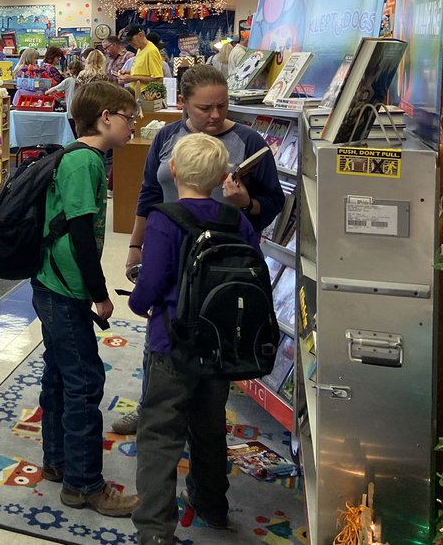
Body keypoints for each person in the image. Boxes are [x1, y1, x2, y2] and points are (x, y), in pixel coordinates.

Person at [115, 63, 284, 436]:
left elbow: (272, 201)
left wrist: (244, 203)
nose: (216, 115)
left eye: (222, 106)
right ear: (184, 104)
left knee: (213, 342)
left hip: (220, 267)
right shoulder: (167, 137)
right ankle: (151, 410)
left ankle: (204, 425)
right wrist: (135, 245)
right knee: (161, 341)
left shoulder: (249, 143)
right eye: (205, 108)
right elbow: (149, 193)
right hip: (168, 255)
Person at [130, 133, 261, 542]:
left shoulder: (164, 219)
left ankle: (154, 528)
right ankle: (212, 504)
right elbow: (254, 267)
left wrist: (138, 304)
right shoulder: (235, 219)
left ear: (172, 170)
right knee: (209, 425)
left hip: (171, 341)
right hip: (221, 343)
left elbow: (151, 282)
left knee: (159, 431)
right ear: (224, 176)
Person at [32, 79, 139, 518]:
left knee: (59, 375)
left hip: (54, 285)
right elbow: (79, 233)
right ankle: (84, 484)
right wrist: (100, 295)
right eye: (129, 117)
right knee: (83, 383)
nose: (134, 125)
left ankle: (58, 461)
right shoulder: (85, 163)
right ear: (106, 117)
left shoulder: (85, 158)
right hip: (64, 290)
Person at [118, 25, 163, 101]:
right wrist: (128, 73)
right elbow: (144, 71)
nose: (130, 43)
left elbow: (158, 79)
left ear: (141, 34)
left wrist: (132, 78)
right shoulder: (140, 49)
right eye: (128, 41)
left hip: (145, 96)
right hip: (136, 95)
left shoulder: (151, 51)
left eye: (131, 39)